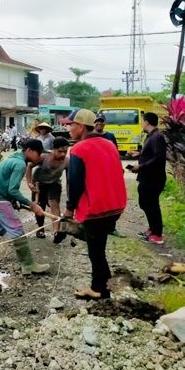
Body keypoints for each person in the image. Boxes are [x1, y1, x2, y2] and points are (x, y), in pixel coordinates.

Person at [64, 109, 126, 299]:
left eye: (71, 124)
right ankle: (105, 283)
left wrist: (69, 208)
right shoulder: (109, 144)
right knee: (99, 245)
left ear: (81, 126)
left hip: (96, 209)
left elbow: (75, 183)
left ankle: (98, 289)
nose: (68, 128)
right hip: (115, 206)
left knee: (95, 251)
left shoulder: (78, 149)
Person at [0, 139, 50, 275]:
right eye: (38, 153)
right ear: (29, 151)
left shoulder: (15, 158)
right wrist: (32, 205)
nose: (40, 157)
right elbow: (13, 190)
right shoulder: (20, 164)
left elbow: (8, 187)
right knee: (16, 228)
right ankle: (28, 264)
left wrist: (15, 201)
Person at [130, 112, 167, 245]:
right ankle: (152, 228)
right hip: (147, 177)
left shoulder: (157, 137)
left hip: (154, 178)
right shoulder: (151, 136)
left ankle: (157, 234)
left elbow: (158, 157)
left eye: (142, 121)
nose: (141, 124)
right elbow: (152, 152)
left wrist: (140, 166)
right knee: (145, 203)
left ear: (146, 122)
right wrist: (139, 154)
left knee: (152, 205)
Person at [26, 137, 69, 239]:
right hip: (39, 184)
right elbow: (29, 166)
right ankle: (40, 229)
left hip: (54, 183)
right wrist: (29, 182)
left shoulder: (67, 162)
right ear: (53, 149)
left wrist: (70, 194)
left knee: (54, 204)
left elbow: (69, 180)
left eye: (65, 152)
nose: (63, 154)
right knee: (40, 207)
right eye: (60, 151)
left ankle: (56, 232)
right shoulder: (44, 157)